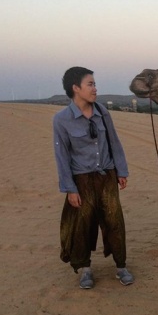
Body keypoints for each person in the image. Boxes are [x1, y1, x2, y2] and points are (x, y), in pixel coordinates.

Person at [53, 66, 134, 289]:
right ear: (76, 88)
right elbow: (62, 157)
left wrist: (121, 171)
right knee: (82, 226)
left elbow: (114, 143)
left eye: (95, 84)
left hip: (107, 176)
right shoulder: (61, 120)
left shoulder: (102, 113)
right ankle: (85, 269)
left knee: (114, 221)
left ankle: (121, 266)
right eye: (90, 84)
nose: (95, 89)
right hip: (81, 180)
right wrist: (70, 188)